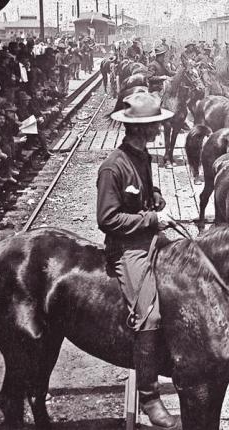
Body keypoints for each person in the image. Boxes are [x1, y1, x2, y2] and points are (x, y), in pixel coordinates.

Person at [97, 92, 179, 428]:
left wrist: (154, 196)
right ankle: (148, 396)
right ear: (138, 129)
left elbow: (143, 191)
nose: (159, 129)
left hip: (150, 237)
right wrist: (151, 221)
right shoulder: (112, 167)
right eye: (153, 125)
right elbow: (107, 218)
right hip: (126, 247)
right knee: (149, 314)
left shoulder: (142, 156)